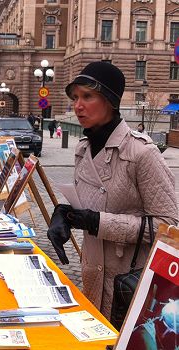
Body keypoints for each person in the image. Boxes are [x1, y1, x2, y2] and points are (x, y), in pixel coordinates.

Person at [46, 61, 178, 320]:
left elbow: (169, 226)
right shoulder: (83, 148)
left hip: (131, 283)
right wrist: (65, 214)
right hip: (93, 272)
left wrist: (98, 222)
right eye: (75, 97)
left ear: (110, 101)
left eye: (87, 96)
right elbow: (90, 201)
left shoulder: (142, 153)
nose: (78, 105)